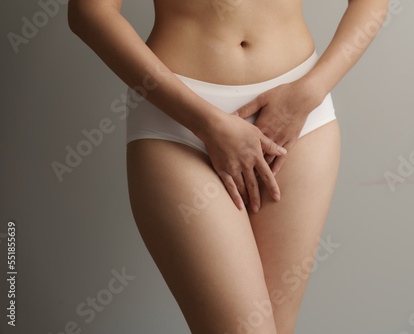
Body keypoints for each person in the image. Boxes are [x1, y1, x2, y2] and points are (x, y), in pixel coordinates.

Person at [68, 0, 389, 333]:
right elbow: (89, 13)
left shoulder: (304, 101)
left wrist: (312, 91)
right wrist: (206, 124)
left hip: (297, 112)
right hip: (181, 119)